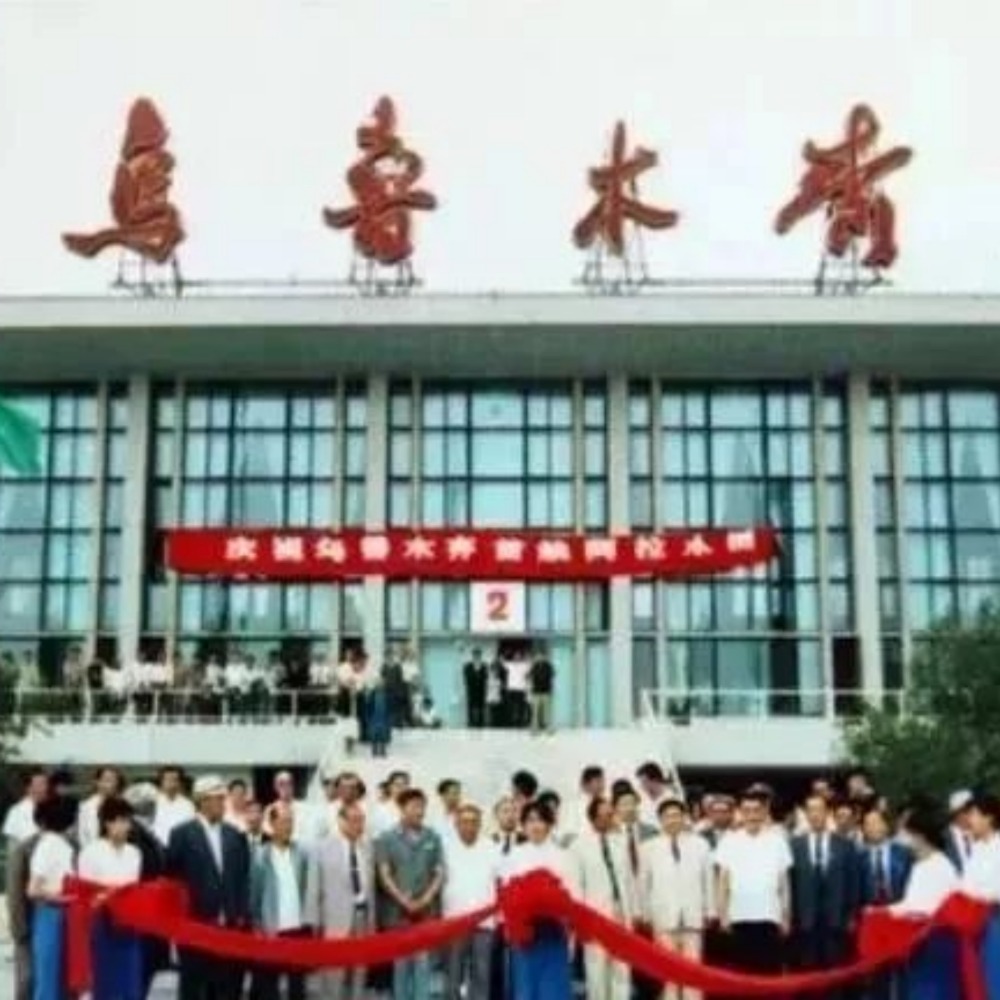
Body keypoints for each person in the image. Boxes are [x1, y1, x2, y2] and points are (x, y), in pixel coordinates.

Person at [167, 775, 251, 1000]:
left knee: (228, 987)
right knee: (194, 988)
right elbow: (173, 881)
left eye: (223, 798)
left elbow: (243, 879)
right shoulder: (181, 834)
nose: (223, 804)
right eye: (218, 799)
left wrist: (242, 915)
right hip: (195, 927)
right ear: (202, 801)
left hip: (229, 926)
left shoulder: (235, 835)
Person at [639, 797, 715, 1000]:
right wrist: (645, 913)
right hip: (663, 917)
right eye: (667, 816)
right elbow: (643, 884)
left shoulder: (700, 844)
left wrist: (710, 910)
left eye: (676, 815)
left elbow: (708, 879)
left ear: (684, 817)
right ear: (660, 820)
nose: (672, 820)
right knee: (668, 971)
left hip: (692, 915)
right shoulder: (648, 847)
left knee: (693, 969)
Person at [375, 788, 446, 1000]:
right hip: (398, 914)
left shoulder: (432, 837)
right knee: (401, 967)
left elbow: (439, 872)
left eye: (422, 806)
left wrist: (425, 899)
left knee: (423, 966)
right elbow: (384, 874)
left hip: (425, 913)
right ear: (402, 808)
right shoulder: (387, 838)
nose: (420, 811)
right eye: (414, 806)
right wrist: (403, 900)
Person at [715, 788, 792, 981]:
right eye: (747, 811)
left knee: (768, 975)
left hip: (769, 917)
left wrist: (786, 916)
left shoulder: (777, 841)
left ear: (765, 812)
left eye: (757, 810)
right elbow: (722, 882)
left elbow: (784, 883)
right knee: (740, 975)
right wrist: (723, 915)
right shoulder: (729, 841)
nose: (752, 815)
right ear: (740, 813)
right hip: (738, 917)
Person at [501, 800, 574, 1000]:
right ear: (523, 825)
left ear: (549, 824)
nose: (535, 825)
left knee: (554, 985)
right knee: (526, 984)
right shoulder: (514, 855)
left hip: (554, 928)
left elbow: (570, 893)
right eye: (530, 820)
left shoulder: (563, 855)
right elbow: (506, 892)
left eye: (541, 820)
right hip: (524, 930)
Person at [304, 802, 376, 1000]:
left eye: (361, 820)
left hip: (362, 916)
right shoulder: (322, 847)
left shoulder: (367, 847)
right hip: (334, 920)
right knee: (334, 973)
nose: (359, 825)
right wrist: (314, 923)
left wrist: (372, 922)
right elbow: (313, 888)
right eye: (354, 820)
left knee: (360, 971)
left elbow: (371, 888)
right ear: (341, 821)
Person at [890, 805, 960, 1000]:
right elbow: (910, 903)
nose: (903, 838)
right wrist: (884, 911)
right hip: (920, 944)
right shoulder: (919, 866)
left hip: (936, 945)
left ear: (920, 836)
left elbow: (926, 909)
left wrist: (894, 913)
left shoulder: (941, 866)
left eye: (907, 832)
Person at [78, 797, 143, 1000]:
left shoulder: (134, 852)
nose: (126, 826)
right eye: (120, 821)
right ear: (107, 823)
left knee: (129, 979)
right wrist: (107, 896)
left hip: (129, 921)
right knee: (104, 978)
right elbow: (85, 892)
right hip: (101, 921)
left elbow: (134, 885)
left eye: (128, 821)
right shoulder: (91, 852)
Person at [571, 797, 636, 1000]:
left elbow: (629, 880)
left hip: (620, 912)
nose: (609, 819)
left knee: (622, 968)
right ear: (593, 818)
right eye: (604, 816)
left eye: (610, 815)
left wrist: (633, 912)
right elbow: (576, 886)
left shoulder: (620, 842)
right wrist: (580, 919)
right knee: (596, 970)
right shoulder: (578, 846)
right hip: (594, 914)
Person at [789, 793, 858, 975]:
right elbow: (790, 884)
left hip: (836, 921)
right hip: (805, 922)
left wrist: (851, 915)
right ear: (806, 814)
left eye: (819, 809)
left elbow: (853, 883)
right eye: (810, 810)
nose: (815, 814)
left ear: (828, 813)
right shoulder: (794, 845)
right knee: (807, 972)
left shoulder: (845, 845)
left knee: (835, 972)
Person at [249, 805, 309, 1000]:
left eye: (290, 822)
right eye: (283, 822)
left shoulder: (301, 853)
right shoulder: (260, 856)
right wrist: (257, 925)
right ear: (272, 824)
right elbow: (254, 895)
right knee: (269, 983)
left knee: (297, 984)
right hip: (271, 928)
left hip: (298, 928)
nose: (288, 826)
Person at [443, 804, 499, 1000]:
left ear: (480, 824)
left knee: (482, 975)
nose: (469, 826)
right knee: (453, 975)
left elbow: (500, 882)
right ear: (456, 824)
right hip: (454, 922)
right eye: (464, 822)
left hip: (484, 923)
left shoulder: (492, 848)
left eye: (474, 822)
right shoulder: (445, 847)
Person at [27, 795, 79, 1000]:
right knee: (49, 978)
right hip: (51, 914)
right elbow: (33, 890)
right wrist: (64, 898)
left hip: (65, 915)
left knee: (62, 978)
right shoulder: (47, 846)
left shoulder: (62, 845)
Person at [962, 793, 1000, 1000]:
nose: (970, 820)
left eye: (974, 814)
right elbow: (967, 885)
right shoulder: (976, 849)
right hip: (975, 924)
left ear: (989, 817)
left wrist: (983, 898)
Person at [6, 821, 41, 1000]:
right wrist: (19, 929)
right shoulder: (23, 849)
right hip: (28, 923)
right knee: (27, 979)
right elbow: (14, 892)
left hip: (51, 923)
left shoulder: (70, 845)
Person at [79, 766, 126, 847]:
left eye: (114, 780)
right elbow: (83, 835)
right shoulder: (86, 806)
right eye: (107, 780)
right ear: (97, 782)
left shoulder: (122, 805)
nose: (111, 784)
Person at [3, 769, 48, 845]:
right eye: (40, 784)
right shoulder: (16, 811)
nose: (45, 788)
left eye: (46, 783)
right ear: (28, 788)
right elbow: (12, 845)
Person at [152, 767, 194, 846]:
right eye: (168, 780)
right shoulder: (153, 802)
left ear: (180, 783)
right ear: (161, 782)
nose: (171, 783)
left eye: (175, 780)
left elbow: (190, 828)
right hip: (157, 847)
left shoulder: (188, 805)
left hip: (180, 846)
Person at [635, 763, 675, 829]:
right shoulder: (642, 796)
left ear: (655, 780)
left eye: (644, 782)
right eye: (641, 783)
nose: (641, 786)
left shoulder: (670, 797)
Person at [945, 790, 975, 874]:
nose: (972, 814)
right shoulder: (943, 840)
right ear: (956, 814)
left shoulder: (983, 834)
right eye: (967, 810)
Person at [528, 649, 555, 735]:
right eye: (538, 656)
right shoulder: (534, 666)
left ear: (544, 657)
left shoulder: (548, 666)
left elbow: (552, 674)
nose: (539, 658)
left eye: (541, 656)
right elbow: (528, 675)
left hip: (546, 691)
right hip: (536, 691)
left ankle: (548, 728)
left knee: (546, 711)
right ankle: (534, 729)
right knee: (535, 711)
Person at [463, 648, 489, 728]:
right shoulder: (467, 666)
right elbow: (466, 678)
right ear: (473, 656)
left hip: (481, 689)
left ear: (480, 656)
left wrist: (479, 676)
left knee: (481, 707)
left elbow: (486, 677)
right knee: (470, 706)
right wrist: (475, 676)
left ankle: (481, 722)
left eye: (478, 655)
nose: (477, 656)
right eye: (475, 655)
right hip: (471, 690)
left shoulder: (484, 666)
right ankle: (471, 722)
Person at [486, 656, 507, 728]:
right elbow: (488, 686)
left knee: (498, 711)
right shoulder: (489, 675)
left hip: (499, 695)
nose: (495, 670)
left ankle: (498, 723)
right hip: (492, 695)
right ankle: (493, 724)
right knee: (492, 711)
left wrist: (502, 686)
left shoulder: (503, 672)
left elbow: (503, 685)